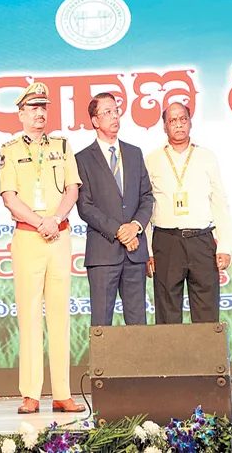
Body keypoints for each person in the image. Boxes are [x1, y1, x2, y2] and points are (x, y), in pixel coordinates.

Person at [0, 82, 84, 414]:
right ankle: (31, 393)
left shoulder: (62, 146)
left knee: (60, 315)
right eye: (33, 108)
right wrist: (40, 223)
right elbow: (10, 198)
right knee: (30, 316)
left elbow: (72, 189)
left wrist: (55, 219)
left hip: (59, 237)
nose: (40, 113)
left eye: (43, 108)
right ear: (21, 114)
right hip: (28, 238)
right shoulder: (8, 150)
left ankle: (62, 393)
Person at [145, 102, 231, 323]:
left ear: (190, 122)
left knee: (206, 312)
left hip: (201, 241)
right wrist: (148, 251)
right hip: (166, 242)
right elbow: (145, 206)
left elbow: (219, 202)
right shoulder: (152, 159)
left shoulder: (206, 156)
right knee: (167, 313)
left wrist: (224, 247)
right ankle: (169, 349)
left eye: (183, 119)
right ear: (164, 126)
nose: (178, 124)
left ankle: (207, 349)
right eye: (172, 120)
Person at [75, 92, 153, 327]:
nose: (115, 116)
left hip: (135, 252)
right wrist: (119, 230)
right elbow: (85, 206)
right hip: (103, 253)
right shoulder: (82, 159)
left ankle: (139, 357)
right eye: (107, 112)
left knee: (138, 324)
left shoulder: (134, 153)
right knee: (101, 324)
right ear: (95, 121)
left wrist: (134, 227)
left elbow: (147, 197)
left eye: (116, 111)